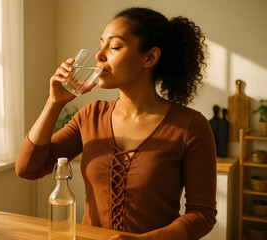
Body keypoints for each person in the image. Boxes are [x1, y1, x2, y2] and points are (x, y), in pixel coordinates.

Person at [16, 7, 217, 240]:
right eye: (100, 45)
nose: (99, 55)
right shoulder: (91, 115)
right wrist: (54, 102)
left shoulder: (191, 126)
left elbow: (202, 214)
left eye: (114, 47)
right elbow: (28, 169)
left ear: (150, 57)